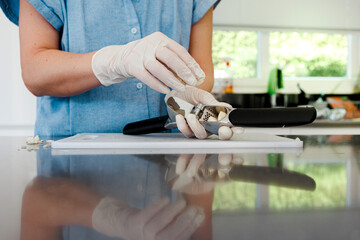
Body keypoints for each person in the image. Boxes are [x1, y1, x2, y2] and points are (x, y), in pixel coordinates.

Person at [1, 0, 241, 139]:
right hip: (69, 165)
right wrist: (112, 61)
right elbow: (35, 72)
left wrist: (182, 97)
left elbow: (201, 70)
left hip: (172, 162)